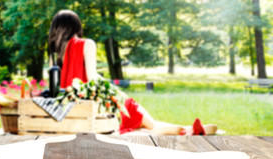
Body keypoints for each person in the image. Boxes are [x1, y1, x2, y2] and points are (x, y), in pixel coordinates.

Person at [48, 10, 217, 135]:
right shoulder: (86, 44)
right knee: (149, 124)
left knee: (147, 125)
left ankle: (188, 129)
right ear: (76, 26)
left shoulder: (55, 55)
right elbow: (92, 80)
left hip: (76, 109)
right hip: (101, 105)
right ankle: (187, 131)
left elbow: (59, 86)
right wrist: (117, 94)